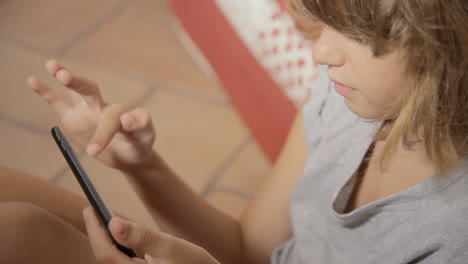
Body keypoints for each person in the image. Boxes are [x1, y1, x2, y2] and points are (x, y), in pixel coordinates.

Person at [1, 0, 467, 263]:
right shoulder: (342, 99)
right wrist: (141, 166)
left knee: (21, 232)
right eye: (324, 24)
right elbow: (247, 249)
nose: (321, 52)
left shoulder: (452, 232)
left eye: (361, 36)